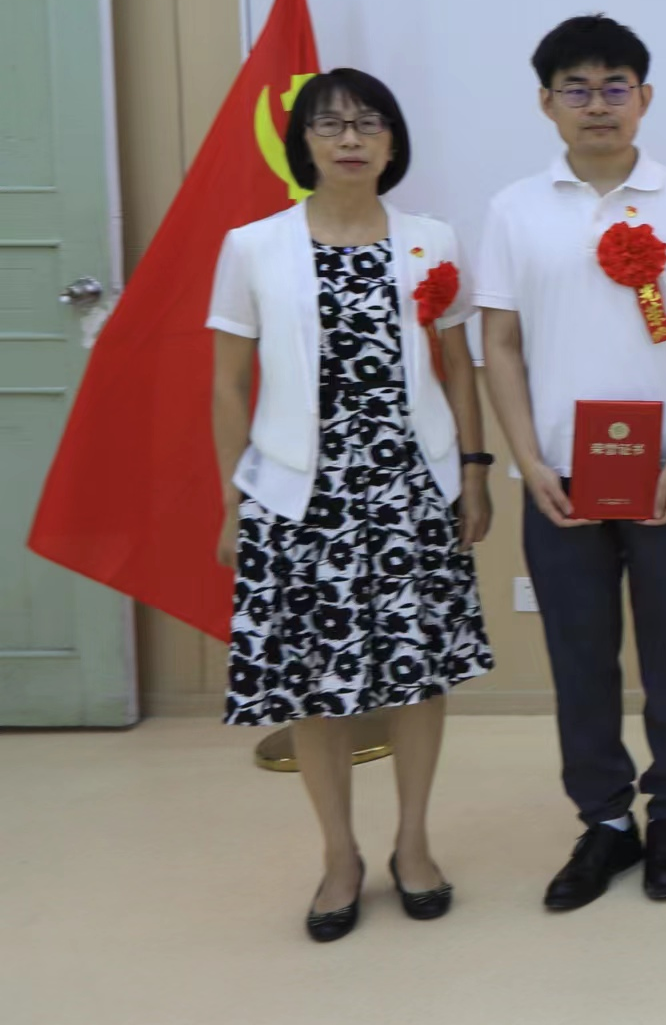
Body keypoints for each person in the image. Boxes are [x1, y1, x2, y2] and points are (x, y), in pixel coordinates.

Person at [207, 68, 495, 941]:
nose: (350, 139)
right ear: (303, 142)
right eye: (331, 125)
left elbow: (458, 366)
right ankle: (339, 855)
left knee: (417, 671)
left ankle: (413, 843)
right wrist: (234, 499)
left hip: (411, 486)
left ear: (393, 142)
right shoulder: (253, 246)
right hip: (300, 495)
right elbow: (227, 384)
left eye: (370, 123)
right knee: (312, 681)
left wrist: (474, 473)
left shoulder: (432, 240)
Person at [478, 14, 666, 909]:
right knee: (579, 650)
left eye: (615, 86)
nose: (598, 105)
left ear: (644, 98)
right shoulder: (514, 209)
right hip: (557, 475)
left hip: (664, 471)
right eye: (577, 89)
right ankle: (605, 821)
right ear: (546, 103)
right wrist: (528, 459)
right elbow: (499, 342)